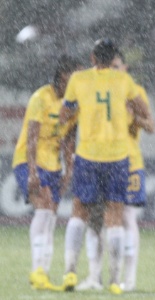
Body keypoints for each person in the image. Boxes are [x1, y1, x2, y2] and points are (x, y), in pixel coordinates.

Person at [59, 38, 152, 295]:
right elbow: (143, 112)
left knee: (79, 211)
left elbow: (65, 114)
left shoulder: (78, 80)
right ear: (113, 60)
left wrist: (83, 110)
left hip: (88, 154)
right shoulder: (124, 81)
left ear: (92, 57)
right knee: (115, 216)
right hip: (118, 156)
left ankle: (69, 271)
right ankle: (114, 279)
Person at [12, 55, 81, 290]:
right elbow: (32, 136)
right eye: (74, 79)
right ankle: (37, 270)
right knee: (43, 207)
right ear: (62, 78)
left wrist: (68, 170)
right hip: (28, 160)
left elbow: (70, 138)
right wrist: (32, 172)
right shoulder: (41, 98)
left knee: (51, 215)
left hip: (53, 165)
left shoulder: (74, 105)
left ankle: (43, 272)